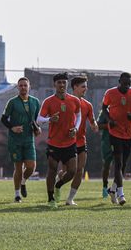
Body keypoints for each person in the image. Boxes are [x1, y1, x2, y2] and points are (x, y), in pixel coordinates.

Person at [37, 72, 81, 208]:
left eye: (64, 82)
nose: (62, 85)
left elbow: (79, 116)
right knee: (52, 169)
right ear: (54, 84)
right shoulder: (48, 101)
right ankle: (51, 199)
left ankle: (58, 185)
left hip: (70, 142)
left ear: (67, 84)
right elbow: (38, 120)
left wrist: (76, 128)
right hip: (54, 143)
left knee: (73, 171)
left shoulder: (74, 100)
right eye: (59, 82)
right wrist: (50, 119)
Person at [102, 72, 131, 206]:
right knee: (118, 163)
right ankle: (121, 194)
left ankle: (112, 190)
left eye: (129, 84)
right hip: (115, 132)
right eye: (125, 84)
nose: (127, 87)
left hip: (128, 133)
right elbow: (104, 108)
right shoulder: (110, 93)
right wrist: (109, 120)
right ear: (119, 81)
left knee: (123, 165)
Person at [1, 77, 41, 203]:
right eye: (21, 85)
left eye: (25, 85)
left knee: (31, 167)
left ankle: (23, 181)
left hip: (29, 139)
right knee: (18, 168)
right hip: (15, 140)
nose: (23, 87)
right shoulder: (12, 102)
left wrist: (37, 129)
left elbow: (36, 120)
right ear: (17, 87)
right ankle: (17, 194)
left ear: (29, 87)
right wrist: (12, 128)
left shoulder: (35, 102)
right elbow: (3, 119)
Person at [63, 75, 98, 205]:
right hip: (66, 142)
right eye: (83, 86)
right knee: (67, 172)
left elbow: (92, 119)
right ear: (75, 87)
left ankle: (70, 199)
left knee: (79, 170)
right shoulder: (66, 102)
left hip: (81, 142)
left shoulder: (88, 105)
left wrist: (94, 125)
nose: (86, 89)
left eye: (86, 86)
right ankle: (58, 184)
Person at [97, 109, 114, 198]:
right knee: (107, 165)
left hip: (119, 140)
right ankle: (105, 187)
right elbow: (98, 125)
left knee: (120, 164)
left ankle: (116, 188)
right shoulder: (104, 112)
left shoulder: (121, 109)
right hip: (107, 142)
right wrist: (109, 125)